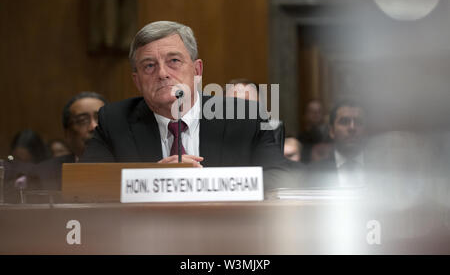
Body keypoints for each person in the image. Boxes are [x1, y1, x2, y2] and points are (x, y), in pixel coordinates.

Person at [81, 21, 289, 189]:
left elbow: (277, 180)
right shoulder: (115, 120)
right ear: (137, 81)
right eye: (149, 66)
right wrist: (154, 180)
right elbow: (85, 185)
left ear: (197, 71)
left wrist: (202, 185)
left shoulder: (244, 115)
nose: (162, 73)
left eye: (174, 61)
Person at [36, 92, 107, 190]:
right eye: (82, 120)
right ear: (67, 133)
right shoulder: (44, 175)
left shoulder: (130, 168)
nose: (93, 127)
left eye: (101, 119)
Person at [303, 100, 367, 188]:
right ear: (332, 131)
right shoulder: (313, 173)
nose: (352, 128)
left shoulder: (383, 169)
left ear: (366, 130)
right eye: (344, 122)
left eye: (358, 122)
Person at [298, 99, 330, 164]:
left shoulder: (331, 136)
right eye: (311, 111)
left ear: (324, 114)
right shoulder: (299, 139)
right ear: (305, 115)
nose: (316, 114)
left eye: (319, 111)